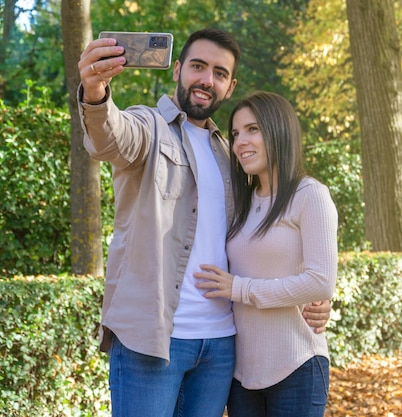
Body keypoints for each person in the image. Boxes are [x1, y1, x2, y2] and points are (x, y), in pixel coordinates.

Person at [76, 28, 330, 417]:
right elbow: (110, 137)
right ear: (177, 69)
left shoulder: (232, 157)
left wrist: (313, 296)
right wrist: (95, 91)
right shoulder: (148, 126)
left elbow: (264, 244)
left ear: (229, 87)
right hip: (154, 341)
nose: (206, 79)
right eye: (198, 66)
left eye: (219, 73)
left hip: (222, 346)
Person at [194, 91, 338, 417]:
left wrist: (240, 288)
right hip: (241, 375)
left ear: (279, 130)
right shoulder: (242, 203)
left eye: (253, 129)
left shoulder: (309, 195)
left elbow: (320, 281)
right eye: (235, 133)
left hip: (296, 366)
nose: (240, 141)